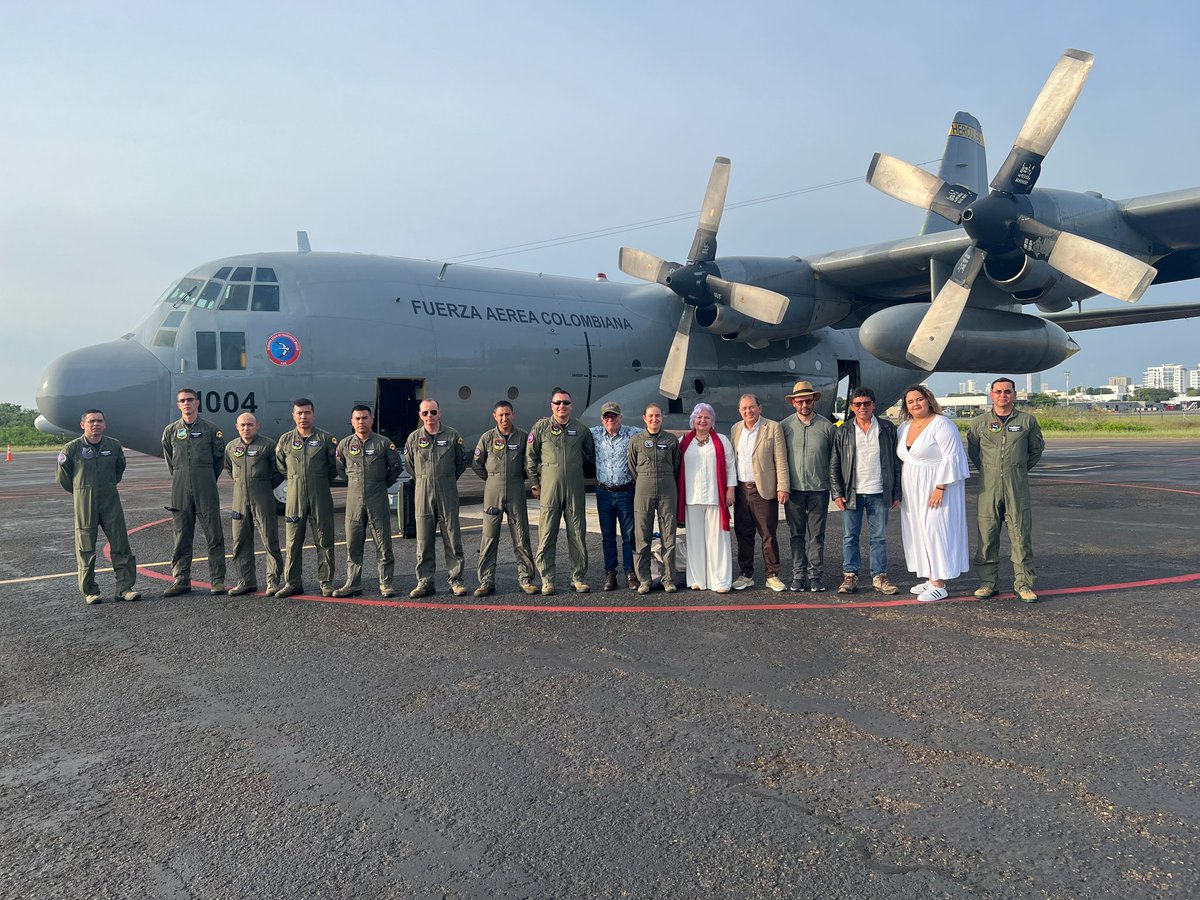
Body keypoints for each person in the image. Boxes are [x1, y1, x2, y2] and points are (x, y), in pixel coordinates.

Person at [967, 377, 1045, 603]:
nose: (1003, 395)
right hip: (988, 487)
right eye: (999, 391)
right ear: (991, 394)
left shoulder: (1027, 421)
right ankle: (987, 583)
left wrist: (1017, 468)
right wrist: (991, 469)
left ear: (1015, 394)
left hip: (1016, 486)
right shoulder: (979, 423)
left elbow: (1036, 450)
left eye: (1008, 392)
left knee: (1020, 535)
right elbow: (974, 452)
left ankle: (1023, 584)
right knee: (987, 535)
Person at [56, 409, 140, 604]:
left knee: (120, 544)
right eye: (92, 421)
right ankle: (90, 591)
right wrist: (82, 491)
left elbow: (119, 470)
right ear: (82, 425)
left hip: (110, 500)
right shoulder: (71, 449)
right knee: (86, 547)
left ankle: (125, 588)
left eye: (100, 421)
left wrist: (106, 487)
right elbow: (64, 479)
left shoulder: (114, 445)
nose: (96, 424)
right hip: (85, 502)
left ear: (105, 424)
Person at [896, 385, 970, 602]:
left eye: (919, 399)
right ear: (906, 407)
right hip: (912, 488)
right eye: (910, 402)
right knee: (918, 531)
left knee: (936, 530)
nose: (916, 404)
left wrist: (940, 487)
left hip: (936, 486)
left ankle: (939, 583)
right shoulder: (904, 427)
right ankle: (930, 577)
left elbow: (952, 457)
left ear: (928, 400)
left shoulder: (942, 424)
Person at [830, 387, 902, 595]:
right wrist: (837, 492)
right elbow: (834, 463)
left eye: (866, 403)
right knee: (849, 537)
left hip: (879, 492)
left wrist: (896, 493)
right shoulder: (843, 430)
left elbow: (896, 464)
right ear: (852, 407)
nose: (862, 407)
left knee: (878, 537)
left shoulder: (887, 428)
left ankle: (879, 577)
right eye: (858, 404)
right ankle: (850, 577)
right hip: (852, 492)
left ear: (874, 405)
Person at [527, 387, 595, 595]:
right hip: (550, 489)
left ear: (571, 406)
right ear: (552, 406)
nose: (561, 406)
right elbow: (531, 457)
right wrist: (534, 483)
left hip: (574, 488)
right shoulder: (541, 428)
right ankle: (547, 579)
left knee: (577, 534)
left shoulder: (581, 430)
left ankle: (578, 577)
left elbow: (590, 456)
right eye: (558, 403)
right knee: (547, 534)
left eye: (565, 403)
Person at [161, 388, 226, 596]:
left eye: (190, 399)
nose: (187, 403)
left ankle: (217, 580)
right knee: (181, 535)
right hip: (180, 487)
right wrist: (183, 476)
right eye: (182, 400)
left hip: (205, 485)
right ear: (178, 405)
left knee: (214, 534)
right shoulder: (170, 431)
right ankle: (181, 579)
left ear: (197, 402)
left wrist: (205, 477)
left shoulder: (210, 429)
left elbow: (219, 460)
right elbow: (170, 461)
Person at [335, 405, 403, 598]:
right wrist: (356, 483)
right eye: (357, 418)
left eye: (364, 418)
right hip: (354, 500)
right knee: (353, 544)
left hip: (377, 498)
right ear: (352, 421)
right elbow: (341, 470)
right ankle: (353, 582)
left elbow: (395, 468)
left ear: (371, 420)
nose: (361, 422)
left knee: (383, 543)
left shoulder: (383, 443)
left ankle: (386, 583)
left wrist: (380, 484)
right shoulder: (345, 445)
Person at [472, 401, 539, 597]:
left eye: (507, 414)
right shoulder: (487, 438)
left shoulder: (523, 436)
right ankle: (486, 581)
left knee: (521, 535)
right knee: (489, 537)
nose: (504, 418)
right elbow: (477, 463)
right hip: (493, 490)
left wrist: (530, 481)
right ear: (494, 416)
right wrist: (492, 478)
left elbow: (530, 462)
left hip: (516, 488)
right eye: (500, 415)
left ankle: (525, 578)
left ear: (513, 415)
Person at [405, 398, 469, 597]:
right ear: (420, 415)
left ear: (439, 413)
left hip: (447, 490)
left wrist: (446, 479)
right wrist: (424, 479)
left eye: (433, 412)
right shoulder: (414, 438)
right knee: (424, 540)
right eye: (425, 413)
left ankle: (456, 580)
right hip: (423, 491)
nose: (429, 416)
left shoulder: (452, 436)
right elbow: (409, 465)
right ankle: (425, 581)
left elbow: (461, 463)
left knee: (452, 537)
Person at [274, 398, 339, 597]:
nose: (303, 417)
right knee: (292, 542)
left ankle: (326, 582)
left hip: (320, 495)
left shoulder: (327, 439)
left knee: (324, 539)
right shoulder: (285, 440)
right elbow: (281, 466)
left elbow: (333, 467)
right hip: (294, 497)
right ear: (293, 416)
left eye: (307, 413)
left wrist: (317, 479)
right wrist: (296, 480)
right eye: (299, 413)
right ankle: (292, 583)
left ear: (313, 414)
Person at [730, 393, 790, 592]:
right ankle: (746, 574)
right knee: (743, 534)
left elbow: (780, 460)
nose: (748, 411)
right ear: (739, 411)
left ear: (760, 408)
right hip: (741, 489)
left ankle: (772, 574)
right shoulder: (736, 429)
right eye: (744, 408)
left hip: (762, 489)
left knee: (767, 534)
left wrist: (783, 487)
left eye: (752, 407)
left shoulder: (772, 427)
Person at [780, 381, 836, 592]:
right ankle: (798, 574)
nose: (804, 404)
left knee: (817, 534)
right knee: (796, 534)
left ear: (814, 401)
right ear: (793, 403)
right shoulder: (784, 427)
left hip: (818, 489)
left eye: (808, 400)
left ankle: (815, 575)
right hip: (793, 489)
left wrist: (834, 488)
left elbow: (834, 459)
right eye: (800, 401)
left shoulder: (826, 427)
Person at [676, 403, 736, 592]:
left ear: (712, 421)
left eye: (706, 418)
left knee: (717, 540)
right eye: (699, 417)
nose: (702, 420)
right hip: (691, 497)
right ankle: (697, 579)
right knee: (694, 540)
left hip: (715, 496)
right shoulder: (684, 441)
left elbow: (730, 466)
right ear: (693, 420)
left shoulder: (721, 441)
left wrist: (730, 490)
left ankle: (720, 581)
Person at [223, 413, 284, 596]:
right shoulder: (231, 447)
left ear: (257, 426)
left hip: (262, 498)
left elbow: (278, 471)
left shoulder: (267, 446)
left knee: (269, 540)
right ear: (236, 426)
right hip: (239, 499)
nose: (246, 428)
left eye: (250, 424)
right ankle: (246, 581)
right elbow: (228, 468)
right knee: (240, 541)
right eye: (242, 425)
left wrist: (262, 484)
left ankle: (272, 581)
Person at [628, 403, 680, 594]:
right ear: (644, 418)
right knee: (642, 536)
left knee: (669, 536)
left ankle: (668, 579)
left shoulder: (671, 440)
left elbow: (677, 464)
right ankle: (644, 580)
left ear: (662, 418)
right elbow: (632, 466)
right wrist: (645, 479)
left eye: (657, 416)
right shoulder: (636, 441)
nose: (654, 419)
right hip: (643, 487)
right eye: (650, 416)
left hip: (667, 486)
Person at [590, 401, 639, 592]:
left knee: (629, 536)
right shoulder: (594, 434)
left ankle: (630, 572)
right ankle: (610, 573)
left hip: (625, 491)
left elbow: (653, 430)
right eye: (606, 416)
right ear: (602, 419)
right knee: (608, 536)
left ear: (621, 417)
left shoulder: (632, 433)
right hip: (604, 493)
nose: (610, 419)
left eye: (613, 416)